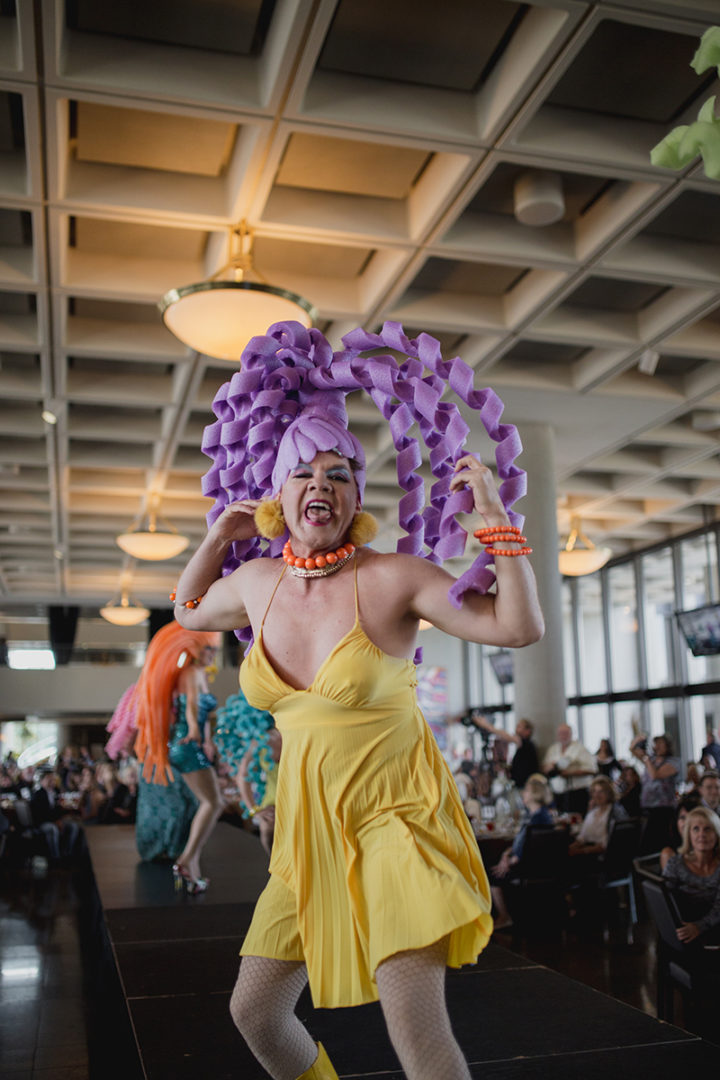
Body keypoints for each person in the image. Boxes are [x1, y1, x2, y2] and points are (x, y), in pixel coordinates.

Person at [172, 319, 544, 1080]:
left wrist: (499, 532)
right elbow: (187, 610)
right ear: (279, 494)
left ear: (356, 496)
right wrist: (217, 538)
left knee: (416, 1032)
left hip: (396, 821)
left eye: (339, 474)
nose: (322, 486)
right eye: (305, 474)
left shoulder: (391, 577)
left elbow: (516, 628)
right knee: (256, 1013)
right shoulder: (257, 583)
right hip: (306, 834)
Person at [132, 622, 224, 892]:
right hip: (186, 743)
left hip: (189, 744)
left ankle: (192, 869)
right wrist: (195, 731)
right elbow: (191, 705)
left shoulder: (198, 672)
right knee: (213, 802)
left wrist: (207, 738)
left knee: (207, 803)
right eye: (207, 649)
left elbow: (201, 712)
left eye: (213, 650)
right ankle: (185, 860)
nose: (211, 655)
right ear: (195, 649)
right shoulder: (191, 672)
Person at [490, 774, 554, 930]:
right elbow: (520, 843)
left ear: (534, 794)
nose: (523, 793)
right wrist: (506, 855)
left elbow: (532, 849)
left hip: (530, 866)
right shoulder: (534, 815)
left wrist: (510, 862)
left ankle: (505, 916)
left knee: (491, 875)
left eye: (526, 791)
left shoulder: (539, 819)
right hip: (525, 862)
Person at [662, 806, 720, 944]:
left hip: (714, 928)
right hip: (681, 928)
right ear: (689, 834)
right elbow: (665, 900)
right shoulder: (675, 863)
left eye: (708, 829)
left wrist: (698, 927)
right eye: (696, 829)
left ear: (717, 834)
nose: (701, 834)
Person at [630, 732, 680, 853]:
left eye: (660, 744)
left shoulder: (673, 762)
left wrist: (646, 759)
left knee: (660, 841)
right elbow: (632, 749)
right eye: (656, 743)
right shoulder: (651, 760)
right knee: (647, 843)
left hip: (663, 808)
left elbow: (655, 775)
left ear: (667, 746)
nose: (657, 746)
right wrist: (639, 737)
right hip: (648, 806)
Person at [542, 723, 597, 815]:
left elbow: (592, 770)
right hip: (558, 793)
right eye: (561, 733)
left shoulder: (580, 748)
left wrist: (570, 773)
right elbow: (545, 767)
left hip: (577, 792)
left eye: (566, 733)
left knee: (576, 817)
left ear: (571, 734)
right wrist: (551, 768)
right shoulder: (553, 749)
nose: (563, 736)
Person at [30, 769, 82, 861]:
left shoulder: (56, 792)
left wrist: (61, 818)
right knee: (53, 828)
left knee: (73, 826)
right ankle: (55, 857)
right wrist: (55, 821)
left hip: (56, 820)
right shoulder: (38, 795)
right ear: (42, 781)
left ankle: (67, 853)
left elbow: (58, 809)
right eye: (48, 779)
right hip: (42, 822)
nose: (51, 781)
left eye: (53, 779)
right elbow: (40, 814)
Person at [569, 775, 627, 858]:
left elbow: (607, 844)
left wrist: (581, 851)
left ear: (609, 793)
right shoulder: (593, 812)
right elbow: (582, 836)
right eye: (594, 791)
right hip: (588, 850)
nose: (597, 795)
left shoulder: (615, 812)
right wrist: (573, 847)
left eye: (601, 792)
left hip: (605, 856)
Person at [475, 715, 539, 789]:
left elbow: (506, 736)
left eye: (519, 727)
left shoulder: (527, 744)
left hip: (525, 786)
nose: (516, 729)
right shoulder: (523, 747)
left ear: (528, 731)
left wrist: (486, 725)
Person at [660, 794, 701, 871]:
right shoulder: (669, 853)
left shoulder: (707, 848)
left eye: (692, 818)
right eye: (683, 818)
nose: (687, 823)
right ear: (676, 822)